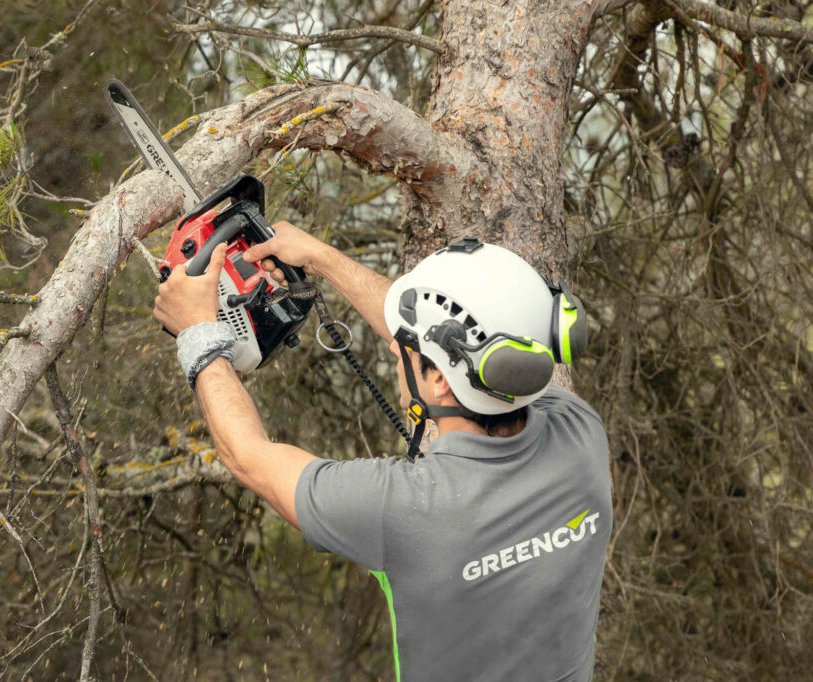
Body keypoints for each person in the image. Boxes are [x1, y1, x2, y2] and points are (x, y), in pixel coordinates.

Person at [152, 221, 612, 682]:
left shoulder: (401, 510)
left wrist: (198, 333)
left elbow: (247, 456)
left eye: (403, 348)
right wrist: (319, 257)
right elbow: (475, 352)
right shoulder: (580, 437)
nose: (393, 344)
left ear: (437, 379)